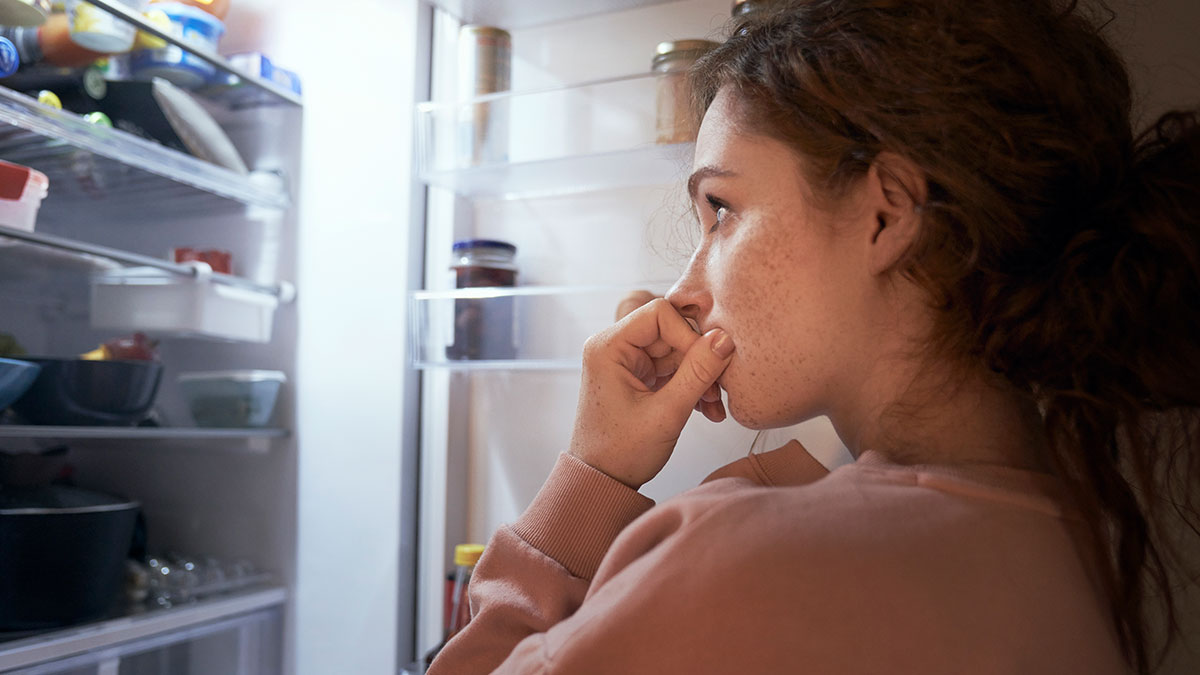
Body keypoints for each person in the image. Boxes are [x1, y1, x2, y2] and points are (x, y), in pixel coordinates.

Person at [429, 0, 1199, 672]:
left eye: (722, 209)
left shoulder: (745, 559)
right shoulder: (1074, 543)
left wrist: (592, 476)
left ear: (887, 215)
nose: (685, 294)